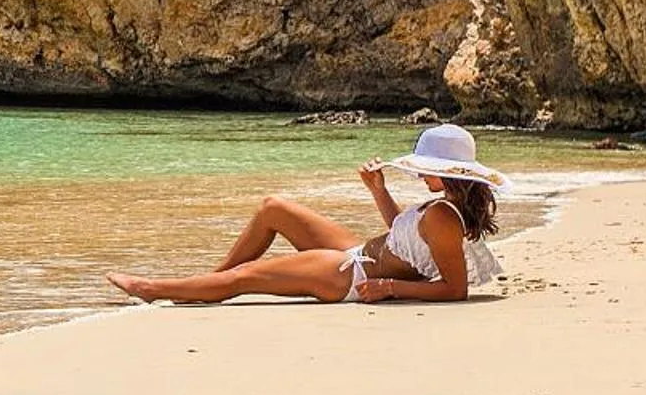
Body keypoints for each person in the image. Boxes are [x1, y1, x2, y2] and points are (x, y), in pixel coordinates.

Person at [106, 123, 507, 305]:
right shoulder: (441, 208)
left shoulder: (444, 217)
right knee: (273, 209)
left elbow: (455, 290)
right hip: (358, 254)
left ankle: (153, 289)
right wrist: (379, 192)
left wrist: (389, 289)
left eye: (424, 169)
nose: (419, 175)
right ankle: (207, 284)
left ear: (444, 173)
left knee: (244, 279)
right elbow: (409, 240)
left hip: (355, 275)